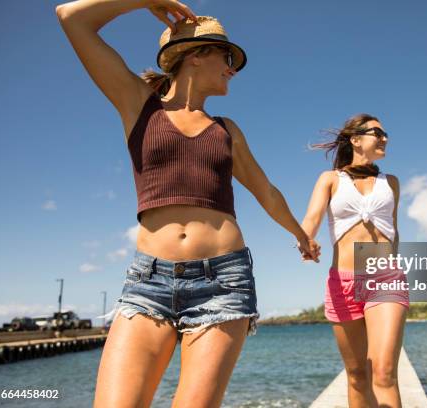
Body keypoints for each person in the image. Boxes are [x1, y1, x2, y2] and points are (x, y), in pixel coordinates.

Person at [55, 1, 319, 406]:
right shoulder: (138, 105)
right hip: (148, 284)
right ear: (195, 55)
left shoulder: (226, 130)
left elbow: (265, 190)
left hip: (223, 283)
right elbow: (71, 17)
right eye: (226, 56)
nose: (232, 67)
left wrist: (302, 236)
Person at [300, 114, 410, 407]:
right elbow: (311, 219)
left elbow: (393, 230)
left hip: (384, 277)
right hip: (342, 281)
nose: (385, 138)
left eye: (386, 133)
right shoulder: (330, 179)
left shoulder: (392, 183)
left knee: (384, 372)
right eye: (378, 132)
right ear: (356, 139)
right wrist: (306, 239)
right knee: (357, 375)